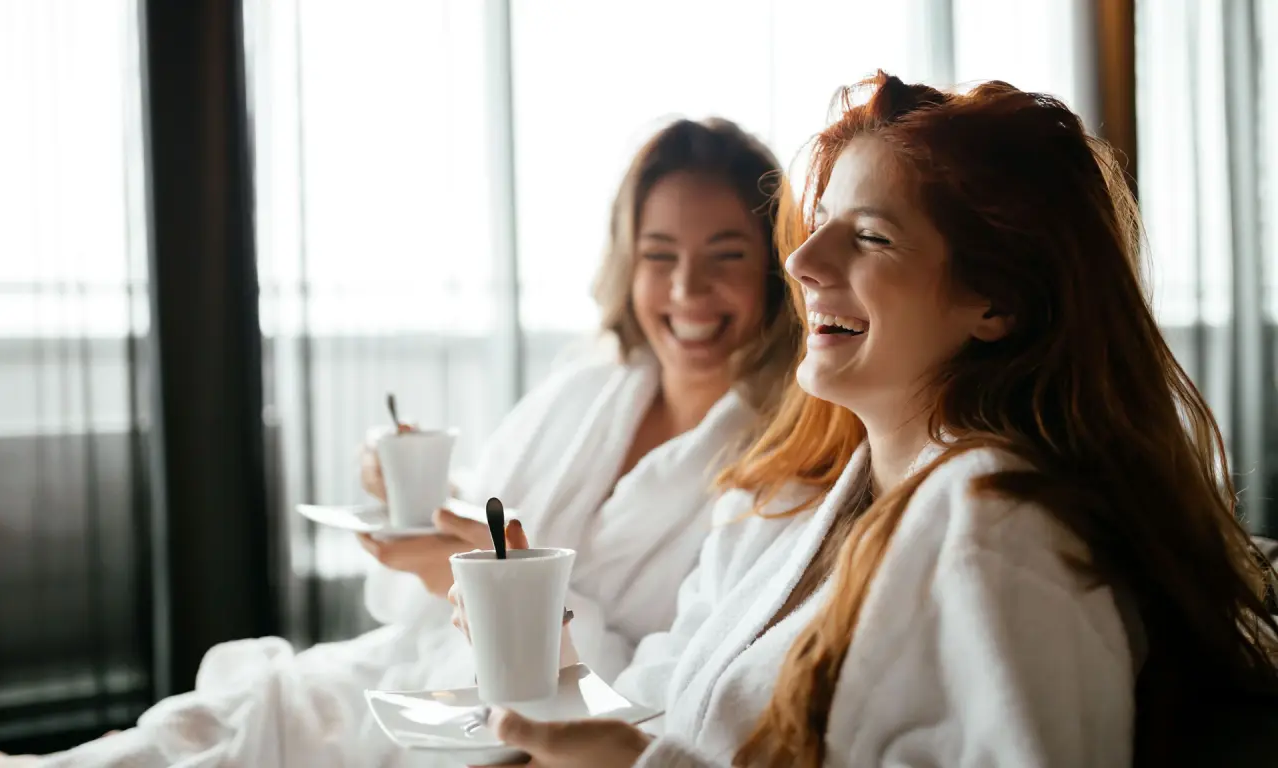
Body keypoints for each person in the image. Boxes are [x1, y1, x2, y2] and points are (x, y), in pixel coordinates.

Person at [454, 72, 1278, 767]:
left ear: (996, 302)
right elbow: (661, 711)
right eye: (819, 230)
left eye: (872, 238)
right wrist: (549, 646)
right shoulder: (790, 507)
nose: (802, 264)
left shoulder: (1001, 530)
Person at [25, 118, 800, 768]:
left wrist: (503, 602)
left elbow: (659, 697)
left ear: (774, 270)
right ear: (628, 264)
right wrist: (420, 513)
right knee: (203, 726)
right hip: (415, 674)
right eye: (659, 255)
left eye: (726, 255)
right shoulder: (589, 388)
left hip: (514, 738)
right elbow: (488, 508)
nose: (686, 289)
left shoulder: (779, 465)